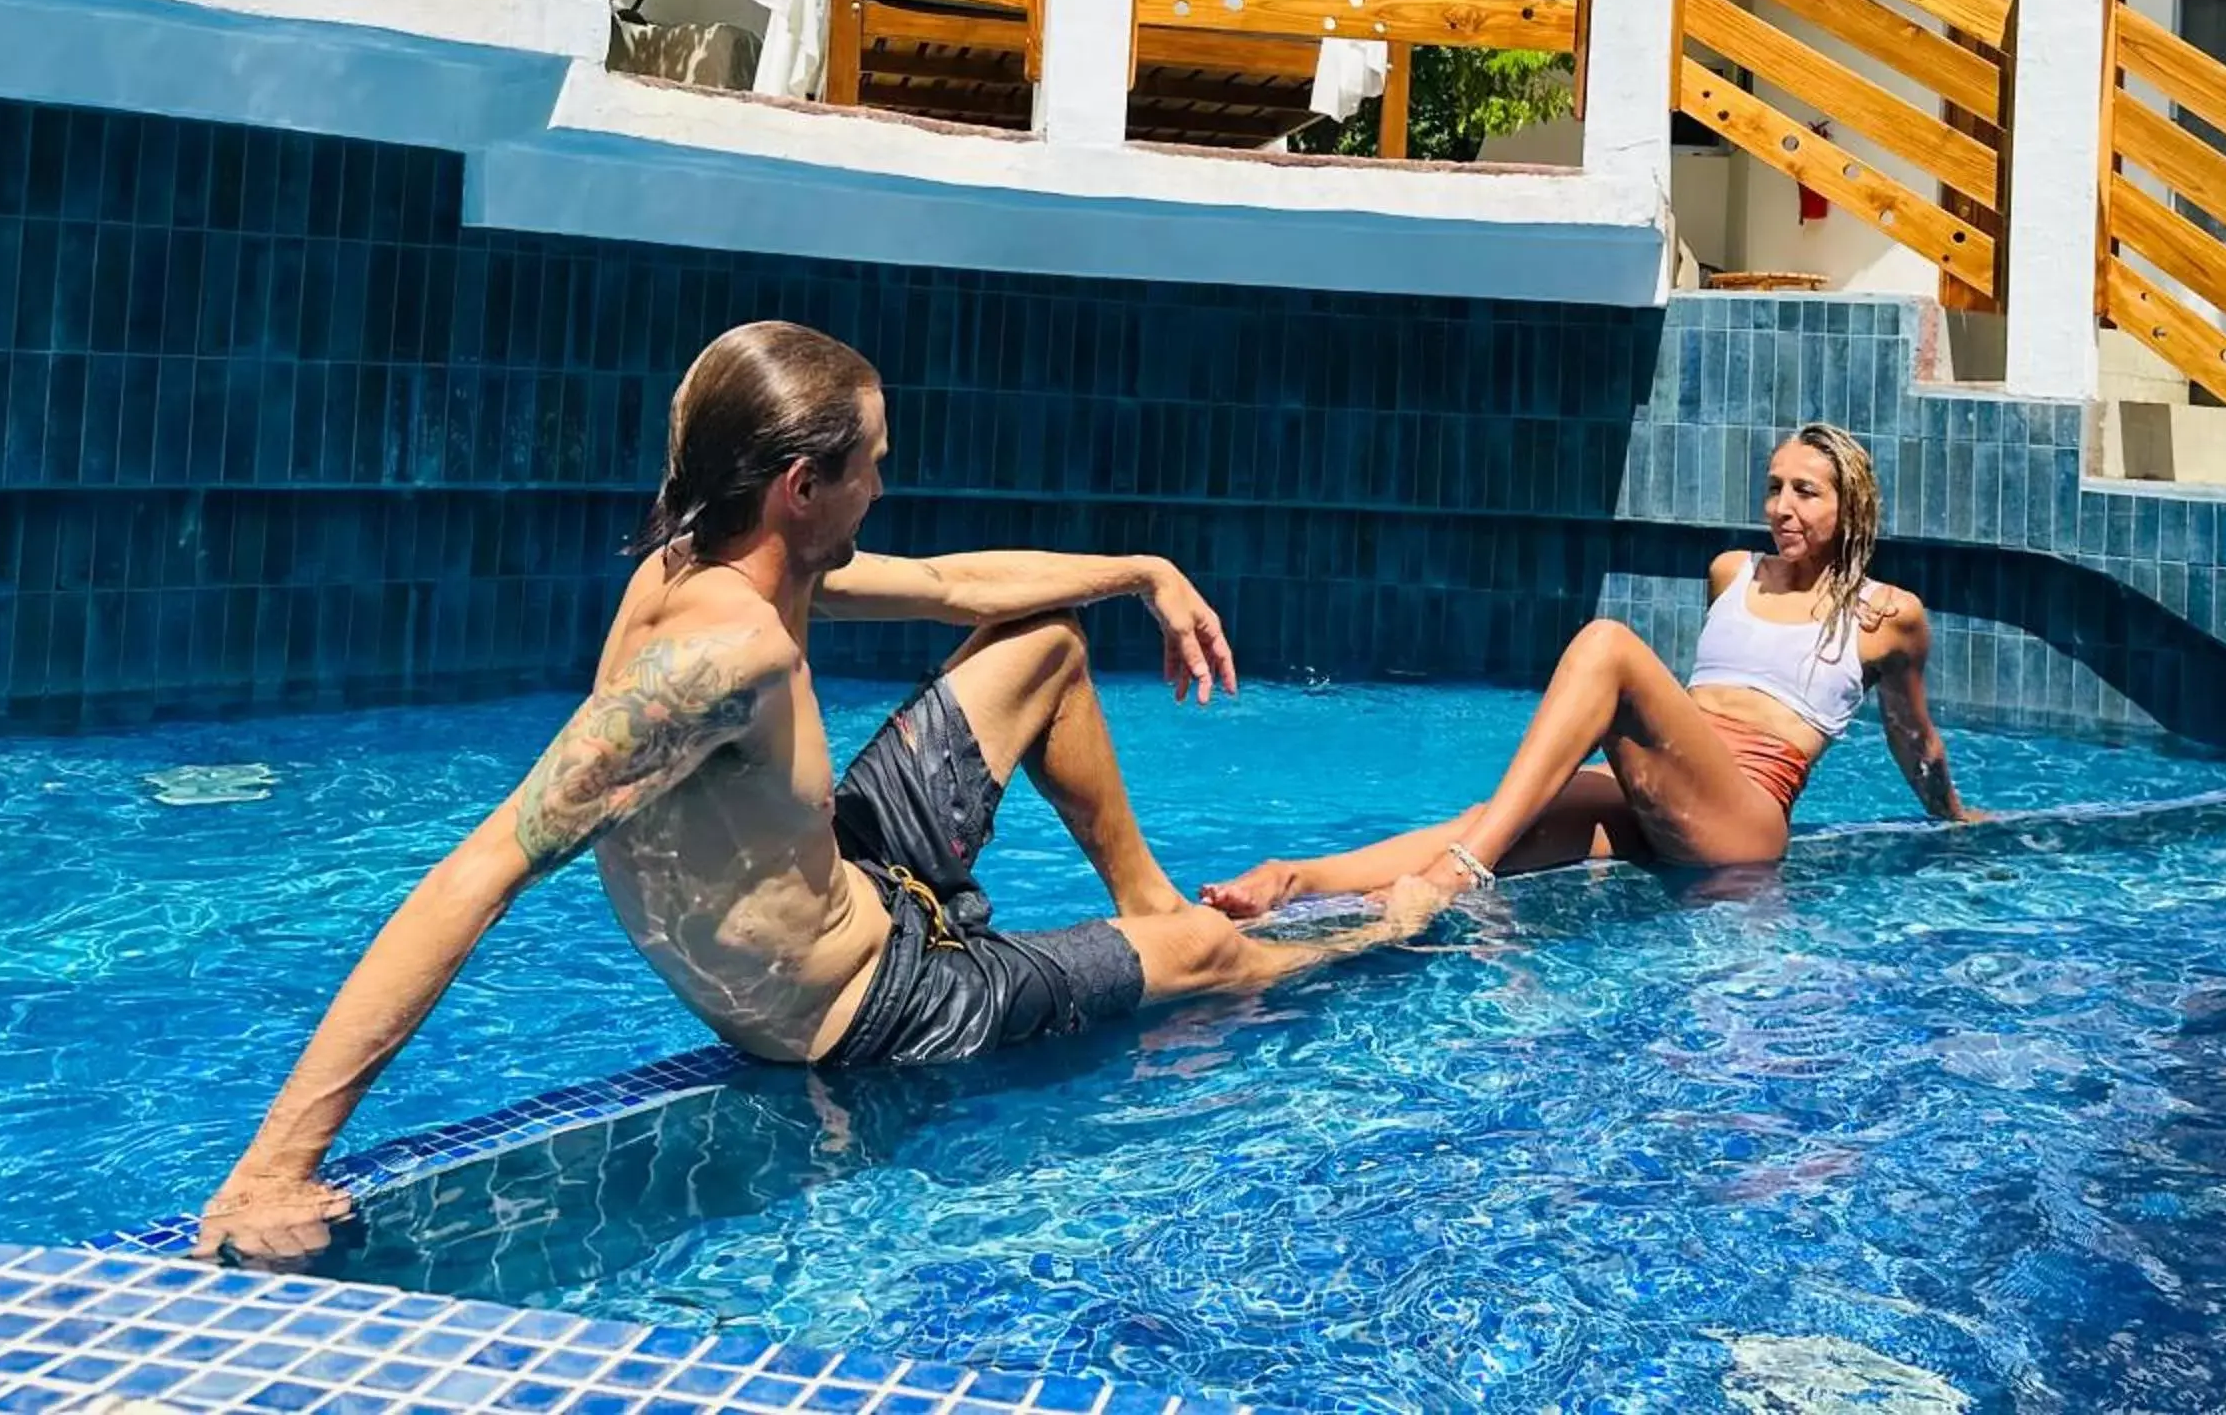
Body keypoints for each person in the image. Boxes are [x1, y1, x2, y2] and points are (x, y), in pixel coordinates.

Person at [195, 320, 1416, 1267]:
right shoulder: (720, 658)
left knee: (1040, 644)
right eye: (872, 467)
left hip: (863, 884)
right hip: (870, 1006)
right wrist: (278, 1162)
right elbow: (482, 871)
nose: (881, 487)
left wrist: (1145, 570)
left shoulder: (732, 557)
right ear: (800, 483)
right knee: (1210, 956)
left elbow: (953, 583)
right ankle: (1388, 927)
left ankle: (1141, 900)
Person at [1203, 424, 1970, 918]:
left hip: (1742, 823)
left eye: (1806, 491)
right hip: (1666, 792)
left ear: (1852, 505)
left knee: (1606, 645)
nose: (1782, 507)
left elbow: (1915, 737)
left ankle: (1458, 873)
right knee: (1501, 813)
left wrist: (1955, 821)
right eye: (1774, 487)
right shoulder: (1733, 572)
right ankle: (1297, 880)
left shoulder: (1886, 614)